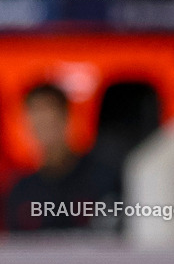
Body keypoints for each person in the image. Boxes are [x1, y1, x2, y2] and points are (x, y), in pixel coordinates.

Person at [5, 84, 120, 232]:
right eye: (36, 118)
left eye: (49, 116)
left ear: (65, 117)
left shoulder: (101, 178)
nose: (43, 124)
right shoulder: (21, 191)